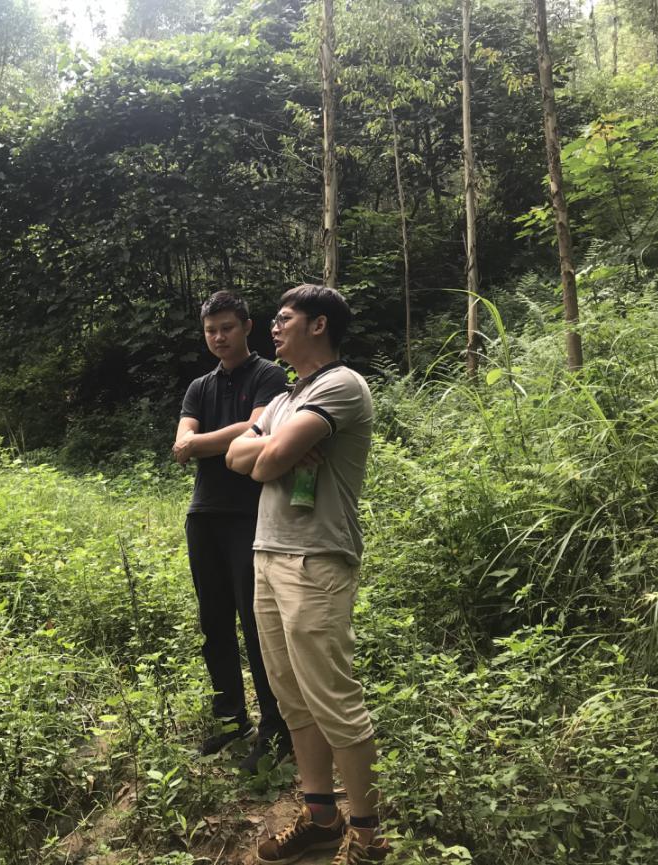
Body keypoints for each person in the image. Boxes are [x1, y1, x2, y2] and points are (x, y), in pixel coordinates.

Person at [226, 284, 390, 865]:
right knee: (293, 699)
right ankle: (321, 817)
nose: (273, 327)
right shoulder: (284, 399)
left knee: (333, 699)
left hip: (315, 560)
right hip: (268, 554)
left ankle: (368, 837)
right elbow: (236, 457)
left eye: (284, 318)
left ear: (318, 325)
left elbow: (262, 461)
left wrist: (270, 451)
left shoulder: (340, 385)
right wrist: (277, 447)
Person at [173, 290, 293, 773]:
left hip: (250, 515)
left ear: (247, 326)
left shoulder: (270, 376)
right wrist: (216, 438)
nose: (218, 337)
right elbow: (182, 442)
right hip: (204, 514)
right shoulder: (199, 386)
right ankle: (230, 719)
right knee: (214, 622)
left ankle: (275, 729)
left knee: (257, 624)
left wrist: (200, 441)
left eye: (226, 327)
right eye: (210, 330)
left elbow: (256, 431)